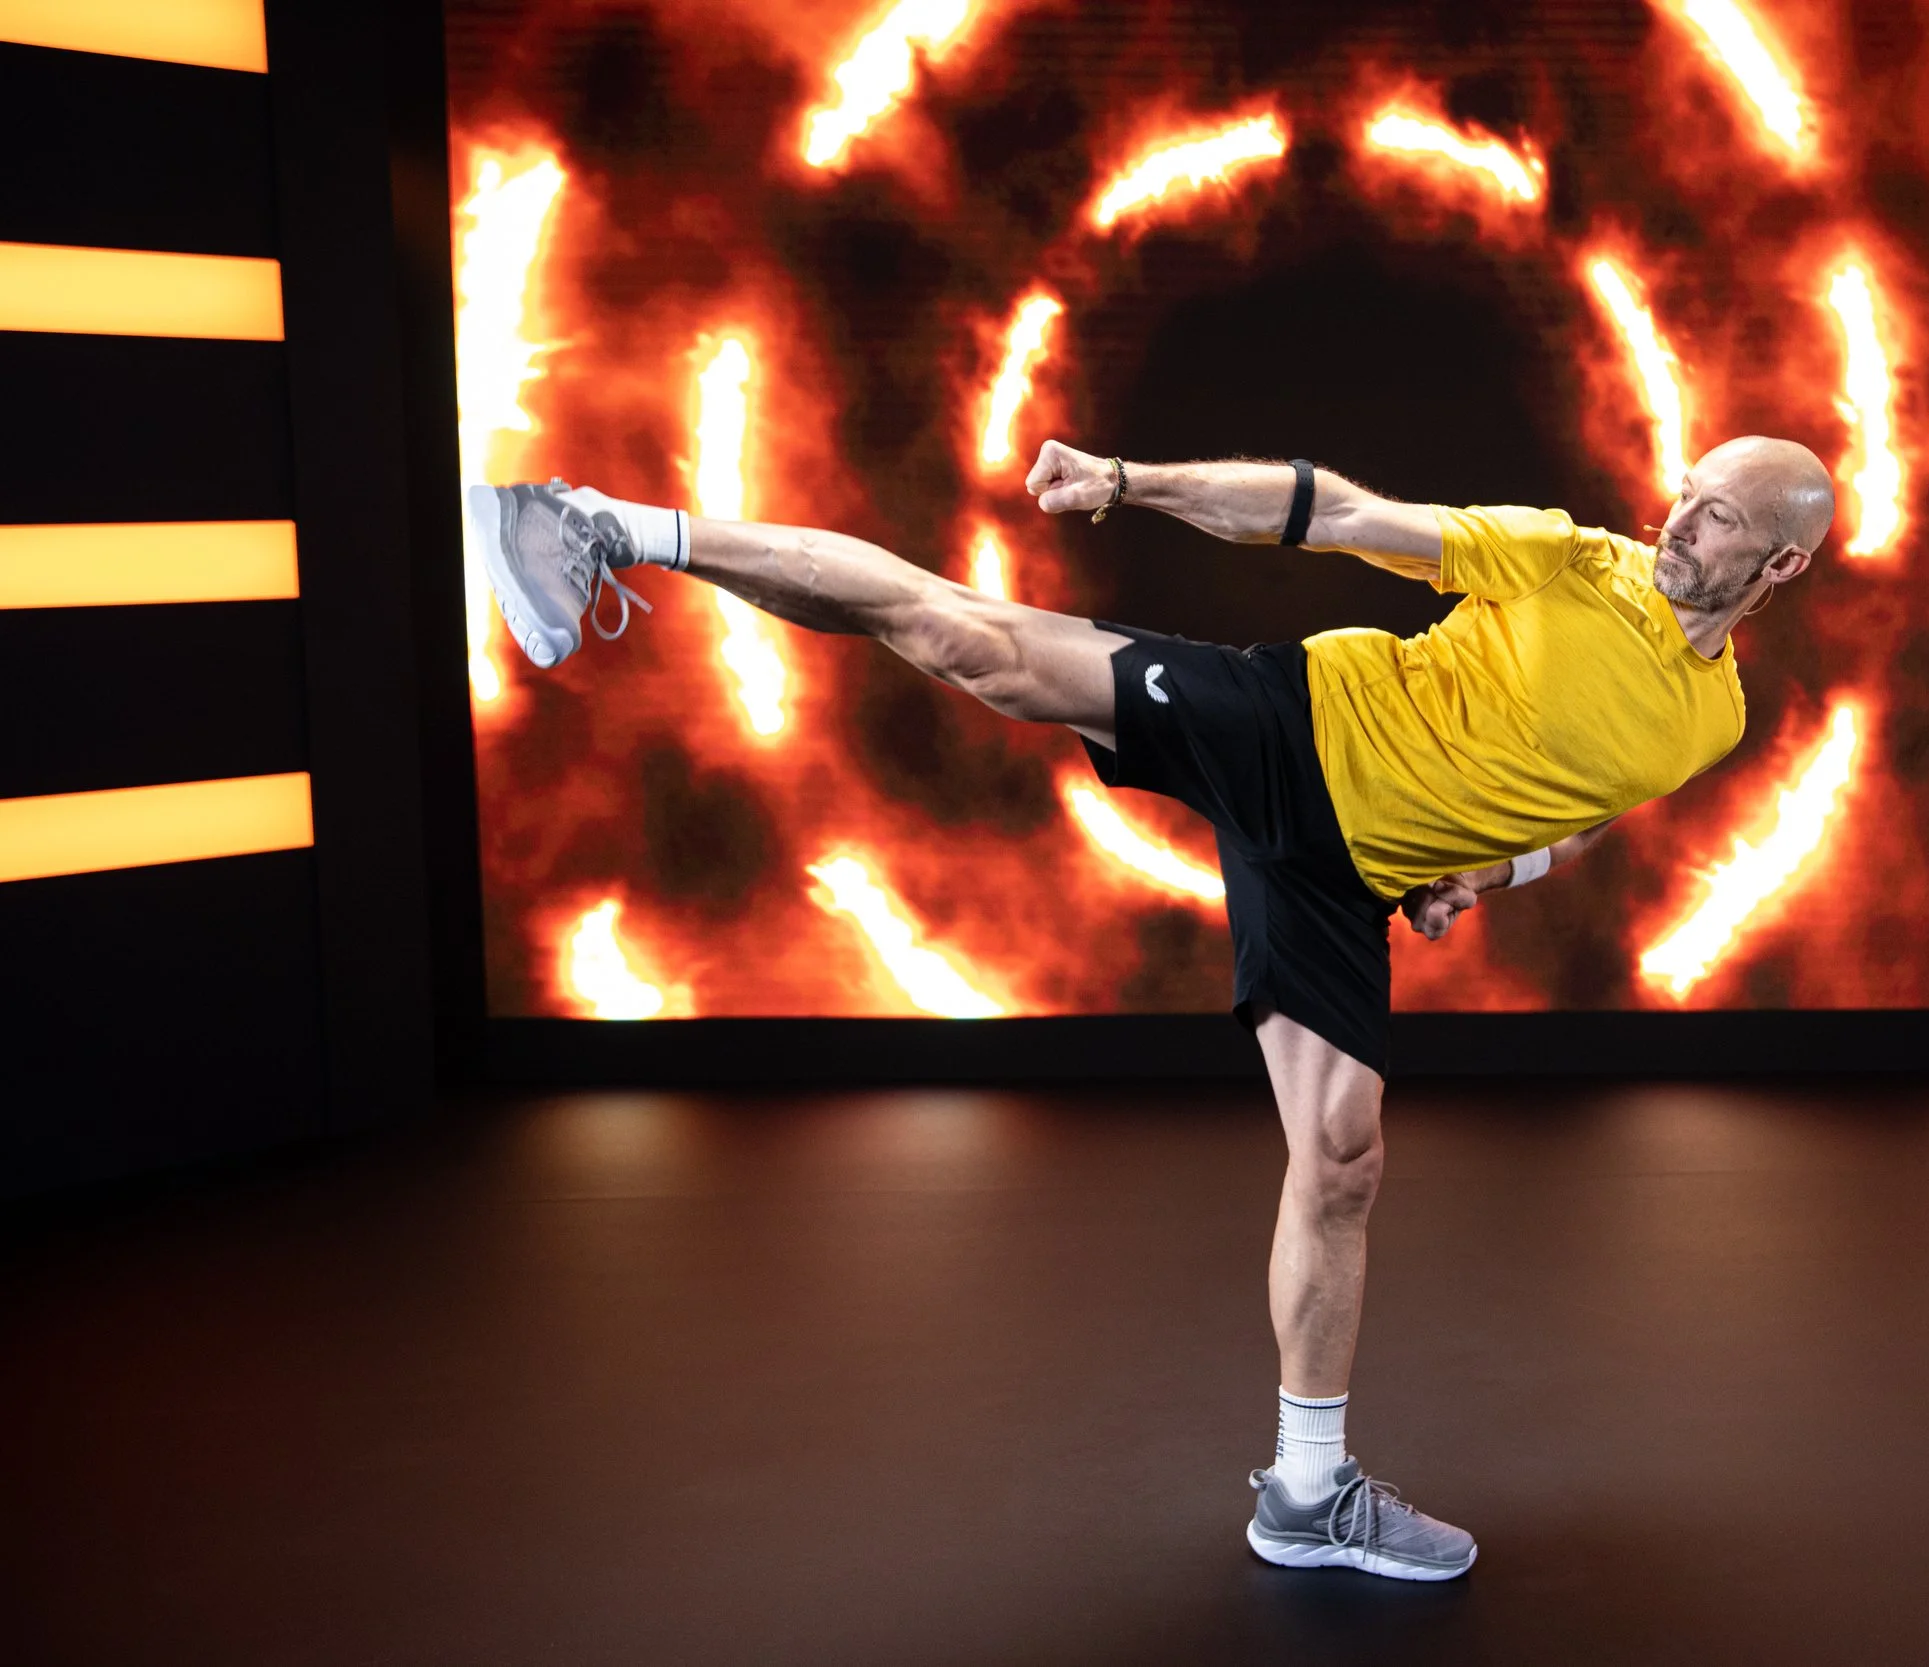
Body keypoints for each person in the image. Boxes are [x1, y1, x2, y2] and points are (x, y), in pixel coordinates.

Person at [466, 432, 1832, 1581]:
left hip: (1342, 879)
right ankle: (601, 523)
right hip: (1294, 724)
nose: (1681, 519)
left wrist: (1478, 868)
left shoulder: (1710, 722)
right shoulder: (1569, 558)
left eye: (1722, 520)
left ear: (1780, 565)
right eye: (1688, 489)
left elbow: (1585, 814)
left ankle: (1308, 1493)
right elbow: (1331, 511)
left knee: (1343, 1157)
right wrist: (1128, 482)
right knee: (965, 640)